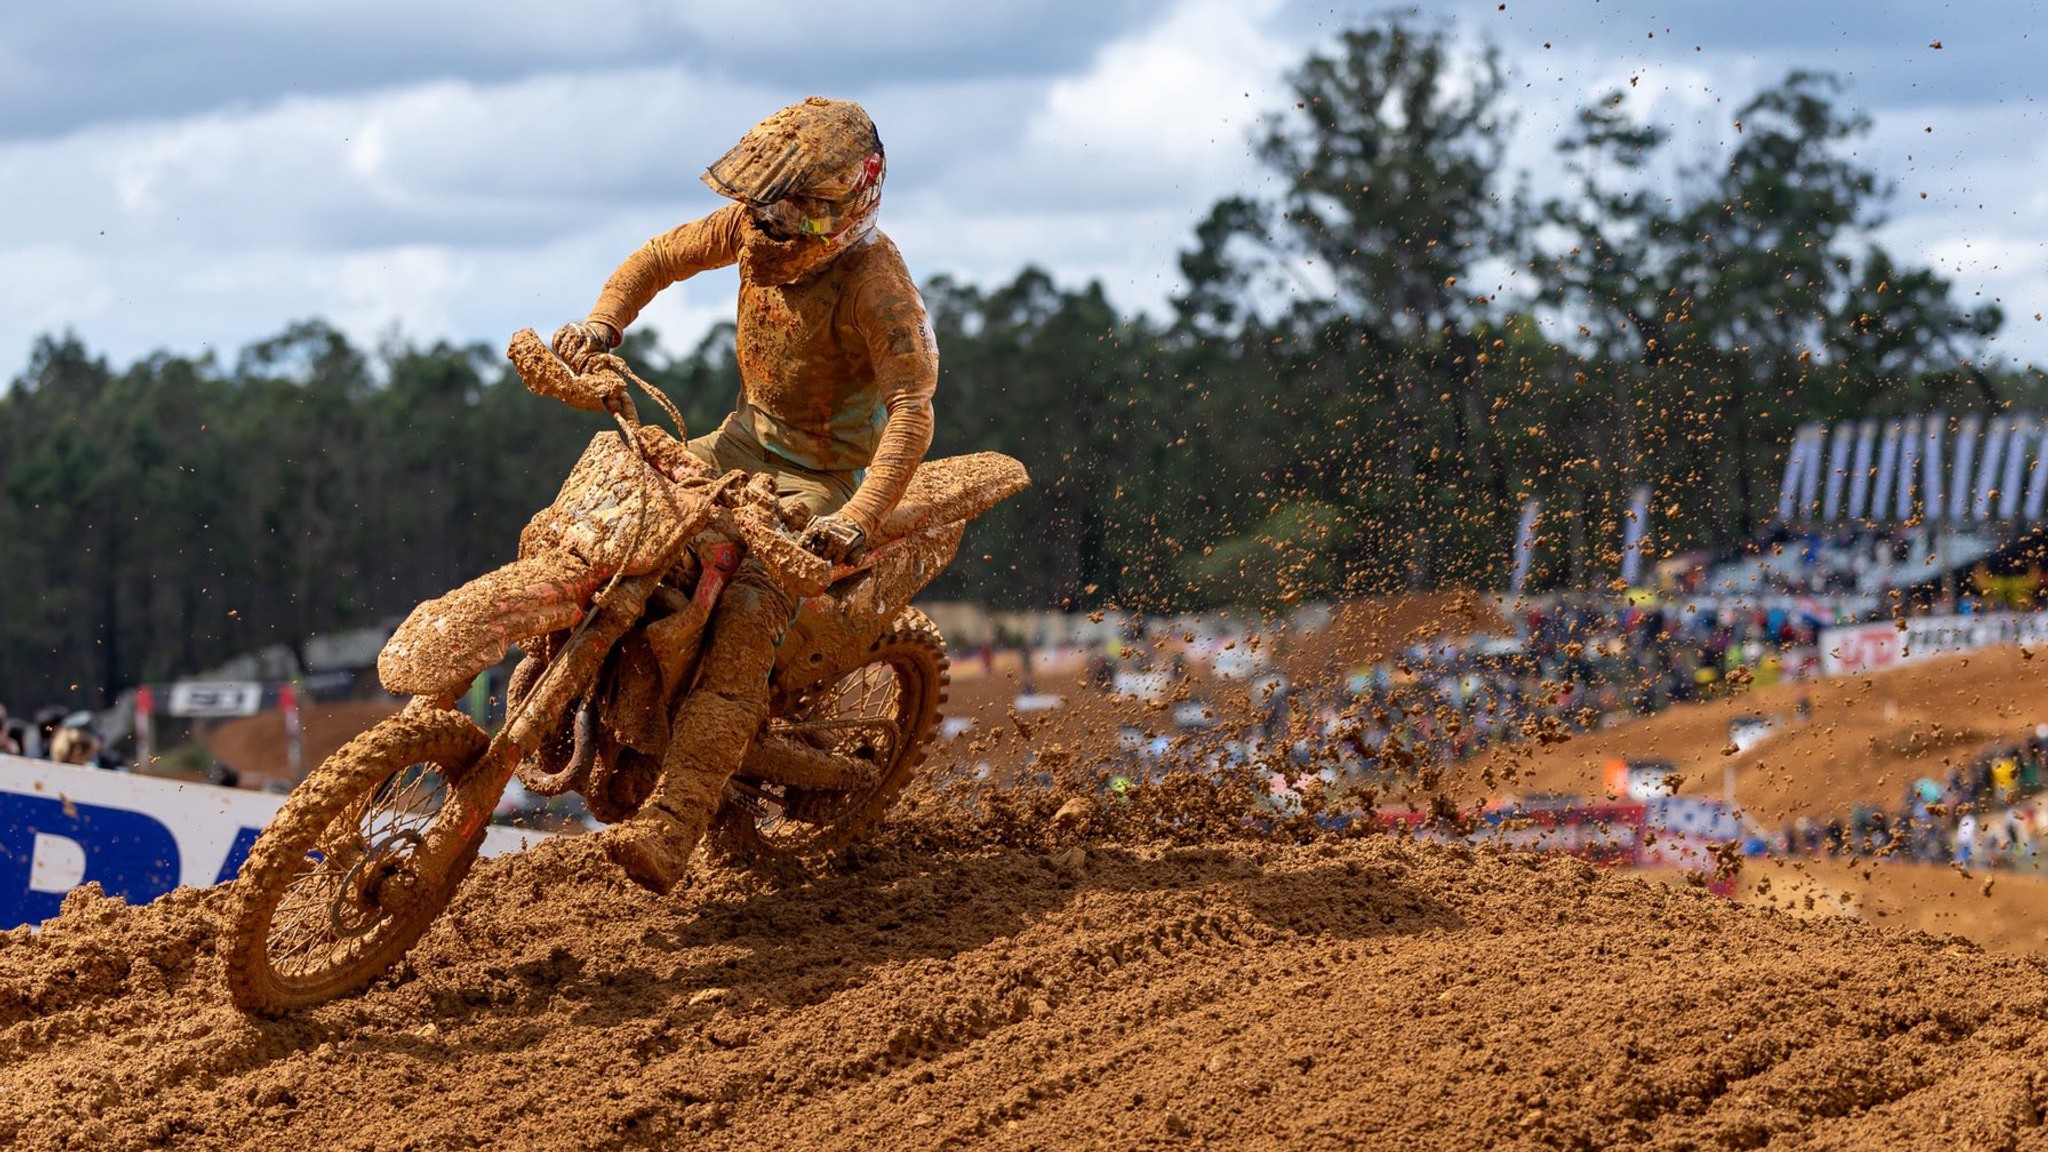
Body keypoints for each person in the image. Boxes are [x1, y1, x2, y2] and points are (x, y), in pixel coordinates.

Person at [552, 97, 938, 893]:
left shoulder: (876, 284)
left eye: (795, 211)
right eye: (765, 204)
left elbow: (911, 411)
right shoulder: (748, 228)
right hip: (734, 442)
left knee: (748, 607)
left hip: (822, 477)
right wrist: (601, 326)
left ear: (847, 206)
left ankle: (675, 821)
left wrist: (858, 518)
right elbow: (657, 257)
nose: (771, 225)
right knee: (606, 499)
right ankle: (553, 676)